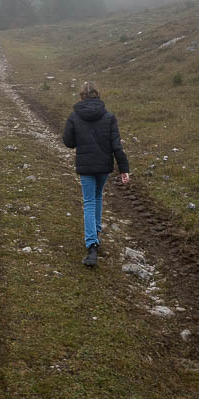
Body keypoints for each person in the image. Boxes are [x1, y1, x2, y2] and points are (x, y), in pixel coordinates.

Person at [62, 81, 129, 267]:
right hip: (103, 166)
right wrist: (124, 169)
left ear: (81, 96)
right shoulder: (109, 117)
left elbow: (68, 142)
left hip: (86, 166)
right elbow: (117, 145)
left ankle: (91, 245)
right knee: (98, 197)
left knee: (89, 201)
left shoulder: (75, 117)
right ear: (98, 95)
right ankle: (96, 233)